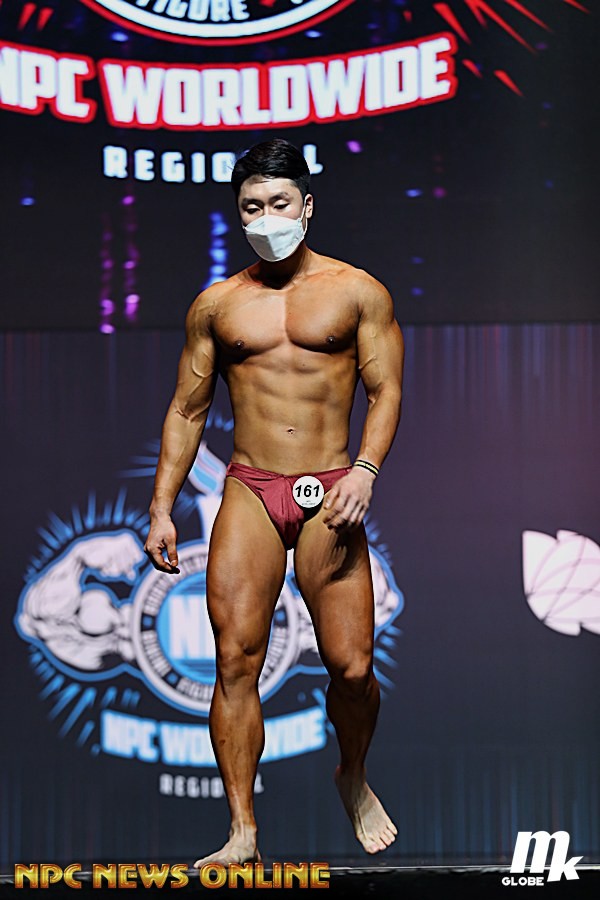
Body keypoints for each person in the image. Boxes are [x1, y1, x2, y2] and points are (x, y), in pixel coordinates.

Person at [144, 139, 405, 865]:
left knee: (351, 668)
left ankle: (352, 773)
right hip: (251, 488)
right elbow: (187, 410)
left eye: (279, 203)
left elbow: (386, 391)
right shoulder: (218, 305)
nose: (266, 218)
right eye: (252, 207)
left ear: (307, 205)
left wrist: (365, 470)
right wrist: (162, 507)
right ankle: (242, 831)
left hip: (331, 488)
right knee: (234, 660)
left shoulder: (358, 292)